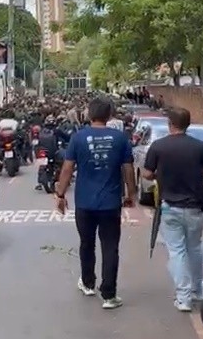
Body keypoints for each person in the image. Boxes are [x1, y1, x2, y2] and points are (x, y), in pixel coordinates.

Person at [55, 96, 137, 310]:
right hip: (110, 203)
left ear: (89, 115)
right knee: (110, 247)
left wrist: (60, 194)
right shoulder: (120, 139)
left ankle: (88, 283)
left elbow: (67, 168)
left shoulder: (78, 138)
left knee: (86, 243)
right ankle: (109, 295)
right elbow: (128, 169)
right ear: (109, 115)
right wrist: (131, 194)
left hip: (84, 203)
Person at [141, 107, 203, 312]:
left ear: (170, 124)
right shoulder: (199, 146)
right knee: (194, 248)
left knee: (177, 251)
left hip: (169, 207)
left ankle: (183, 298)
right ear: (187, 124)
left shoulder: (158, 146)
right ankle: (196, 289)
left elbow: (147, 174)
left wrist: (161, 172)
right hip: (194, 207)